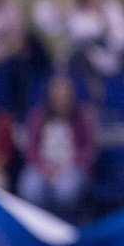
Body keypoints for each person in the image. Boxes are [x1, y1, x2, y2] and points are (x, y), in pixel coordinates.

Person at [32, 0, 124, 81]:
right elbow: (41, 18)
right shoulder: (74, 10)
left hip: (104, 59)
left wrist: (107, 27)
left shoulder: (112, 8)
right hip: (75, 58)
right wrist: (58, 9)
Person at [17, 75, 97, 218]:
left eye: (65, 95)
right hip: (42, 167)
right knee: (30, 187)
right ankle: (37, 224)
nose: (61, 99)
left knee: (65, 190)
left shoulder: (82, 118)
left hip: (71, 167)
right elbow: (30, 149)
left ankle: (63, 223)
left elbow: (89, 150)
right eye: (57, 94)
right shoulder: (38, 117)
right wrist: (44, 167)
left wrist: (69, 165)